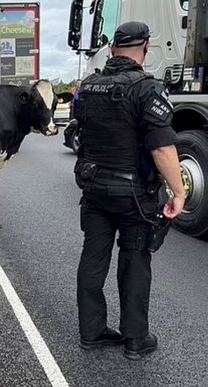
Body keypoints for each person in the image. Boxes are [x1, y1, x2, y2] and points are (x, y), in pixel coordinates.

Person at [73, 21, 185, 360]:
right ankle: (135, 339)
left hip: (93, 189)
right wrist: (178, 192)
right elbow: (163, 149)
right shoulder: (147, 88)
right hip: (134, 194)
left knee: (93, 257)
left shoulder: (88, 86)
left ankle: (91, 332)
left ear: (111, 49)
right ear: (146, 47)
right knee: (135, 260)